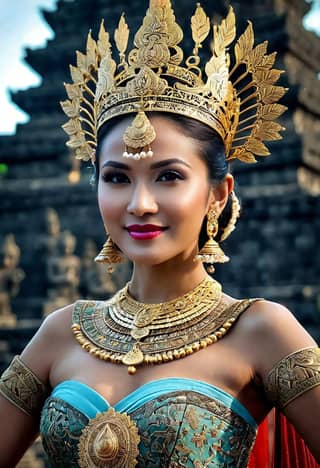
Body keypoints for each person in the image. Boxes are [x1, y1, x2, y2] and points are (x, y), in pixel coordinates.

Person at [0, 1, 319, 466]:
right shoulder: (60, 332)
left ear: (217, 193)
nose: (139, 204)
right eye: (116, 177)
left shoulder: (261, 331)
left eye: (168, 176)